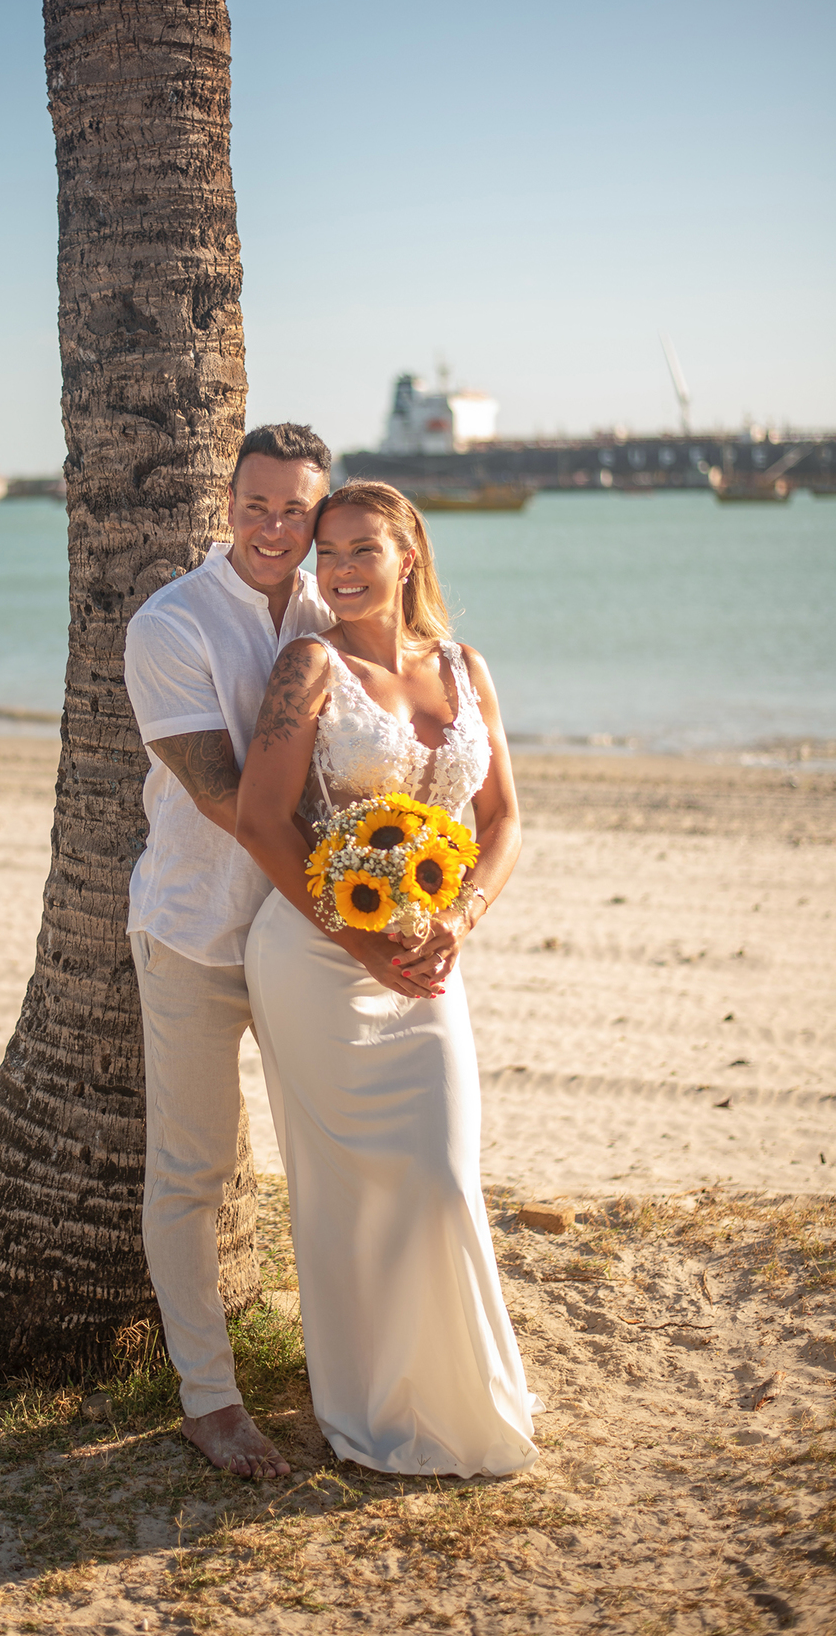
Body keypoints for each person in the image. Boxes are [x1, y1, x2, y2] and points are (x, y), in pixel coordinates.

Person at [235, 480, 542, 1477]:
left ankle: (456, 1397)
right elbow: (261, 820)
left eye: (363, 549)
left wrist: (458, 915)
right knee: (346, 1193)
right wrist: (361, 943)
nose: (342, 569)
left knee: (443, 1176)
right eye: (328, 554)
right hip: (318, 961)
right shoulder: (308, 665)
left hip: (429, 957)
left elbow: (502, 821)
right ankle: (370, 1404)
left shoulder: (465, 666)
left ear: (409, 553)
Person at [123, 422, 334, 1480]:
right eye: (256, 503)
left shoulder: (326, 607)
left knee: (335, 1155)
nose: (273, 526)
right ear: (227, 497)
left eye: (295, 508)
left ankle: (353, 1372)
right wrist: (349, 909)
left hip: (299, 943)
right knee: (193, 1170)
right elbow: (223, 802)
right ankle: (208, 1400)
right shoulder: (170, 624)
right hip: (199, 937)